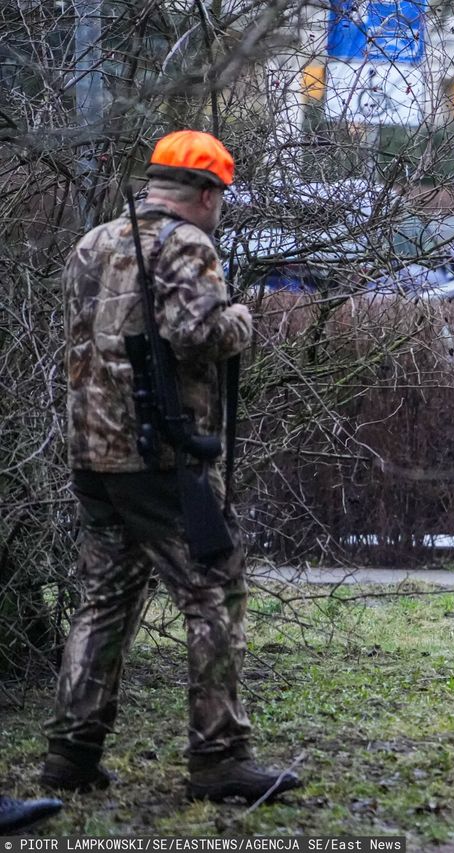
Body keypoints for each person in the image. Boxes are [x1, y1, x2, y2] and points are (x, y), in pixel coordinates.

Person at [43, 130, 302, 803]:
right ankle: (219, 757)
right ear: (208, 193)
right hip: (161, 457)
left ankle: (70, 754)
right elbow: (199, 334)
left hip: (93, 455)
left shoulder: (93, 243)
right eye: (221, 197)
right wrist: (241, 318)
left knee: (104, 598)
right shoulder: (185, 244)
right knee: (213, 590)